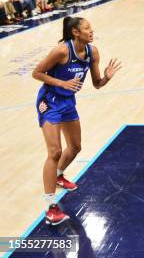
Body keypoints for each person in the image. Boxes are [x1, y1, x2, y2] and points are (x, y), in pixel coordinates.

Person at [32, 16, 121, 225]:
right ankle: (50, 206)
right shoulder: (62, 51)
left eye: (91, 27)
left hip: (68, 102)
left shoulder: (93, 52)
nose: (91, 31)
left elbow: (97, 83)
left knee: (75, 148)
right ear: (75, 32)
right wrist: (61, 83)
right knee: (54, 152)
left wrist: (107, 77)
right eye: (87, 28)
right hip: (50, 101)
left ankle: (59, 175)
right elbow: (37, 73)